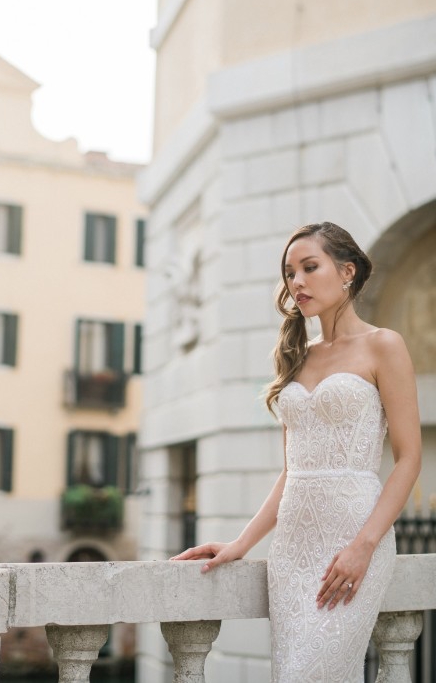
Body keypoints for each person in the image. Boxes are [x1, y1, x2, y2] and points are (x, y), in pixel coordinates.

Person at [171, 221, 420, 682]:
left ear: (347, 271)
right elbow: (291, 474)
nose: (296, 282)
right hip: (292, 552)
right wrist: (242, 544)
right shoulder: (296, 356)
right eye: (289, 273)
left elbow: (409, 458)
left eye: (309, 267)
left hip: (352, 539)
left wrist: (363, 546)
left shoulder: (384, 345)